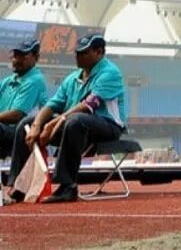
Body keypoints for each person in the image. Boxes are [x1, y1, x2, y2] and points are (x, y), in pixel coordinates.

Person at [6, 35, 127, 204]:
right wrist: (37, 125)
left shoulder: (110, 73)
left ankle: (67, 186)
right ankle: (19, 186)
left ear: (99, 52)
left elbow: (88, 105)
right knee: (26, 123)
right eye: (77, 52)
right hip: (74, 125)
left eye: (83, 52)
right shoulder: (72, 78)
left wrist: (55, 123)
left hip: (108, 126)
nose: (78, 56)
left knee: (76, 119)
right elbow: (51, 105)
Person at [0, 39, 48, 160]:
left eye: (23, 56)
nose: (16, 60)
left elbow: (16, 115)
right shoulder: (8, 81)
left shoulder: (35, 80)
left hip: (24, 132)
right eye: (15, 56)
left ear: (36, 57)